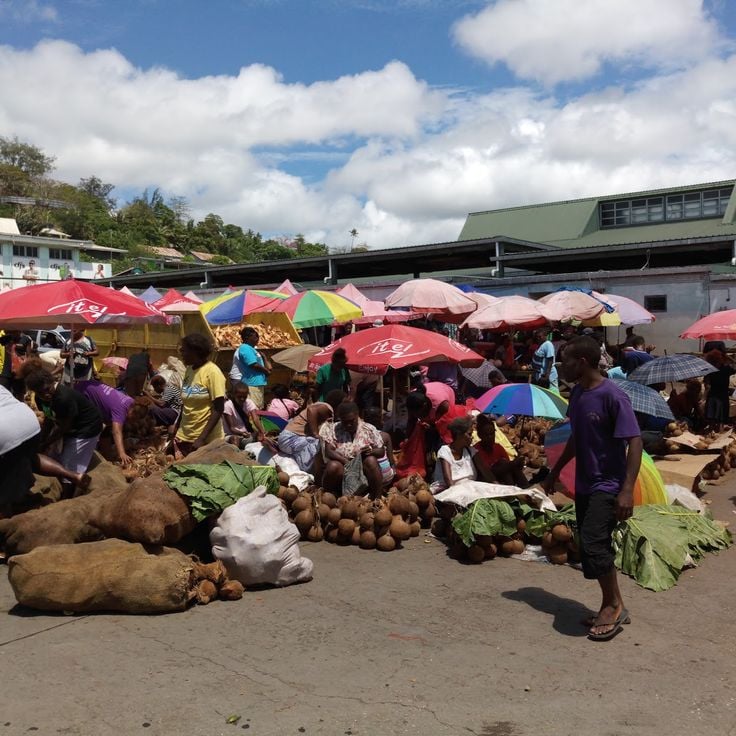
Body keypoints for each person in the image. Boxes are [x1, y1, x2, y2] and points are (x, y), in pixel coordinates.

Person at [542, 336, 642, 642]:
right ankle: (611, 603)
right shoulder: (577, 395)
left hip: (608, 485)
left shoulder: (612, 396)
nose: (563, 368)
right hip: (586, 483)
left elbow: (634, 441)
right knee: (589, 546)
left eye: (567, 362)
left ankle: (613, 605)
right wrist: (555, 471)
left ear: (582, 363)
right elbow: (576, 436)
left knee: (595, 544)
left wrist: (626, 490)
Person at [0, 385, 91, 512]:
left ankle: (5, 509)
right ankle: (72, 475)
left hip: (4, 431)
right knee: (30, 457)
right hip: (29, 422)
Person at [20, 359, 103, 478]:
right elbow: (49, 419)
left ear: (52, 382)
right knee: (54, 457)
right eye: (40, 393)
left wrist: (47, 442)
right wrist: (42, 440)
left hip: (87, 427)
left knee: (69, 466)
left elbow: (64, 426)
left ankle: (69, 492)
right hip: (70, 426)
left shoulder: (63, 398)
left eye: (47, 390)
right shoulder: (40, 399)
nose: (45, 395)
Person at [318, 401, 386, 499]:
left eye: (352, 421)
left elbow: (381, 451)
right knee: (333, 466)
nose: (349, 425)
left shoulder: (368, 429)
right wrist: (347, 463)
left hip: (363, 472)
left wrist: (370, 450)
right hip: (343, 469)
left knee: (371, 461)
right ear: (340, 419)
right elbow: (329, 451)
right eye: (345, 422)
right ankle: (329, 497)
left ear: (357, 415)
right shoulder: (333, 429)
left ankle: (377, 498)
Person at [173, 333, 226, 458]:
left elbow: (218, 408)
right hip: (186, 435)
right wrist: (176, 427)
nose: (181, 354)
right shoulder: (189, 370)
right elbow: (185, 404)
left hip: (207, 439)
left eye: (184, 350)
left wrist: (201, 438)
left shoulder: (212, 372)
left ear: (195, 351)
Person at [277, 389, 345, 472]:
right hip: (290, 438)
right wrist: (315, 434)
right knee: (322, 443)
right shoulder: (327, 407)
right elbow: (311, 410)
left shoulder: (323, 408)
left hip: (288, 441)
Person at [73, 379, 134, 466]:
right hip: (83, 392)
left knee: (108, 425)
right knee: (88, 424)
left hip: (90, 386)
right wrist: (122, 453)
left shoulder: (131, 401)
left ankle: (106, 455)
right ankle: (79, 453)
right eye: (133, 418)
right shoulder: (120, 409)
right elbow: (116, 432)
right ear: (132, 412)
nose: (131, 421)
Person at [473, 413, 527, 487]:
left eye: (492, 434)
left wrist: (518, 463)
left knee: (508, 466)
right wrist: (513, 463)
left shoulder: (498, 447)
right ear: (480, 435)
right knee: (503, 464)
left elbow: (508, 465)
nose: (490, 437)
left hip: (504, 478)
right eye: (486, 435)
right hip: (488, 481)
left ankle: (525, 488)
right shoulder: (476, 450)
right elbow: (487, 473)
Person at [430, 416, 477, 493]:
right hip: (448, 490)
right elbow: (448, 481)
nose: (472, 437)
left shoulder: (471, 450)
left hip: (469, 489)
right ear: (459, 435)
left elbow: (486, 472)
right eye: (469, 434)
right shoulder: (445, 451)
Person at [222, 383, 273, 450]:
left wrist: (262, 431)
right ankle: (236, 457)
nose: (242, 399)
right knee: (235, 439)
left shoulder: (248, 402)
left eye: (244, 397)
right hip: (231, 435)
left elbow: (255, 419)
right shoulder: (228, 405)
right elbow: (232, 428)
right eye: (239, 397)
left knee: (262, 437)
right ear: (234, 395)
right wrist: (242, 433)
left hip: (246, 434)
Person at [230, 327, 270, 408]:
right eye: (255, 337)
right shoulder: (245, 348)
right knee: (254, 408)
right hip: (252, 384)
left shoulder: (251, 349)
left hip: (257, 383)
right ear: (248, 338)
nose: (257, 339)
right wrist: (266, 371)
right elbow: (252, 364)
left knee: (257, 406)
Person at [703, 350, 734, 424]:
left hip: (712, 396)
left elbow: (707, 386)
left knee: (711, 418)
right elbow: (734, 364)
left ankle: (711, 431)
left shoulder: (709, 370)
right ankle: (719, 430)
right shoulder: (726, 369)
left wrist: (703, 398)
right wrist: (727, 356)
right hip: (723, 396)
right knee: (722, 419)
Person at [0, 331, 34, 398]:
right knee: (3, 393)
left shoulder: (26, 339)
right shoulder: (6, 337)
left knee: (20, 394)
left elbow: (29, 356)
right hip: (6, 371)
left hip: (19, 372)